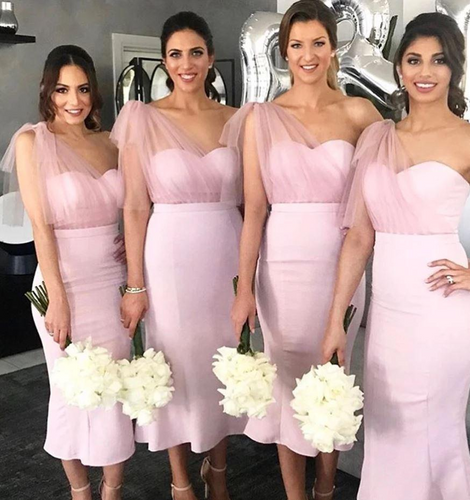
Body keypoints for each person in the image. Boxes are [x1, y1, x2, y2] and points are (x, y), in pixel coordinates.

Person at [322, 13, 470, 500]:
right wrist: (336, 321)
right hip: (388, 313)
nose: (425, 72)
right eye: (414, 60)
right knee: (388, 430)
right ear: (399, 68)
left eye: (438, 60)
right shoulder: (378, 137)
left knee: (430, 433)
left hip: (443, 310)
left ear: (454, 69)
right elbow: (359, 238)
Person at [227, 1, 381, 498]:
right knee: (286, 383)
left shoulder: (360, 113)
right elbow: (255, 209)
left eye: (318, 43)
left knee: (333, 377)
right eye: (297, 45)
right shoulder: (262, 118)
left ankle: (326, 488)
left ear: (333, 48)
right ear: (284, 51)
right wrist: (243, 290)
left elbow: (381, 198)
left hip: (341, 265)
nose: (307, 55)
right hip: (280, 271)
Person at [112, 11, 245, 500]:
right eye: (175, 54)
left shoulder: (238, 119)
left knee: (226, 362)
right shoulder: (143, 119)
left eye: (195, 53)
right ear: (164, 62)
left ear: (210, 58)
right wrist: (135, 285)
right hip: (168, 257)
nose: (186, 64)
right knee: (172, 364)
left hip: (226, 253)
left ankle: (218, 469)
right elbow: (134, 206)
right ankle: (180, 480)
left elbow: (251, 202)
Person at [0, 45, 134, 500]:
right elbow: (40, 225)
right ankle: (79, 491)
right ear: (47, 91)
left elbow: (137, 204)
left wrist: (131, 245)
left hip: (112, 281)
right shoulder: (32, 141)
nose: (73, 100)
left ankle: (112, 489)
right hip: (62, 283)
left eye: (82, 89)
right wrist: (56, 298)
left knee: (114, 387)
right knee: (69, 390)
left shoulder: (112, 141)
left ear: (94, 93)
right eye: (62, 90)